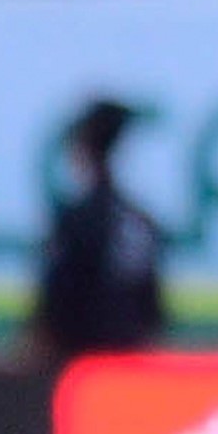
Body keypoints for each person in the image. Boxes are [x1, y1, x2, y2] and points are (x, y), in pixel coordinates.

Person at [27, 99, 167, 361]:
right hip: (132, 365)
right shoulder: (142, 222)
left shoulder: (76, 222)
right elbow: (154, 314)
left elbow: (55, 308)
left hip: (82, 371)